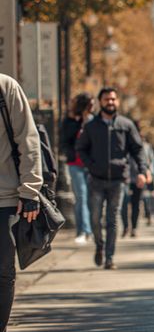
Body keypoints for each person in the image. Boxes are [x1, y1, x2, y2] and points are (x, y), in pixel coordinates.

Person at [76, 88, 148, 269]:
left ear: (117, 102)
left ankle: (109, 257)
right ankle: (99, 245)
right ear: (100, 101)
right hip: (96, 179)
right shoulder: (91, 127)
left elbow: (137, 149)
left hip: (118, 179)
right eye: (107, 99)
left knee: (112, 219)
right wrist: (90, 165)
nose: (111, 102)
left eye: (113, 99)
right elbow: (81, 148)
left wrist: (142, 170)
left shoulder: (126, 125)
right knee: (95, 218)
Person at [0, 74, 43, 332]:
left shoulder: (5, 88)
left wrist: (30, 191)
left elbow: (28, 139)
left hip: (3, 196)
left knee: (2, 270)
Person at [60, 92, 94, 245]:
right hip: (75, 164)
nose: (92, 107)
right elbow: (64, 141)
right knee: (81, 196)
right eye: (90, 104)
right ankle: (84, 231)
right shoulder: (69, 121)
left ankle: (87, 230)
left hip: (91, 165)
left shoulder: (93, 120)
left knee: (89, 198)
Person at [120, 121, 154, 238]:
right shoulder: (123, 142)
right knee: (123, 203)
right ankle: (125, 227)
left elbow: (148, 161)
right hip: (124, 177)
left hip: (139, 178)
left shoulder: (146, 146)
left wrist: (148, 173)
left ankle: (134, 228)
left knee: (136, 204)